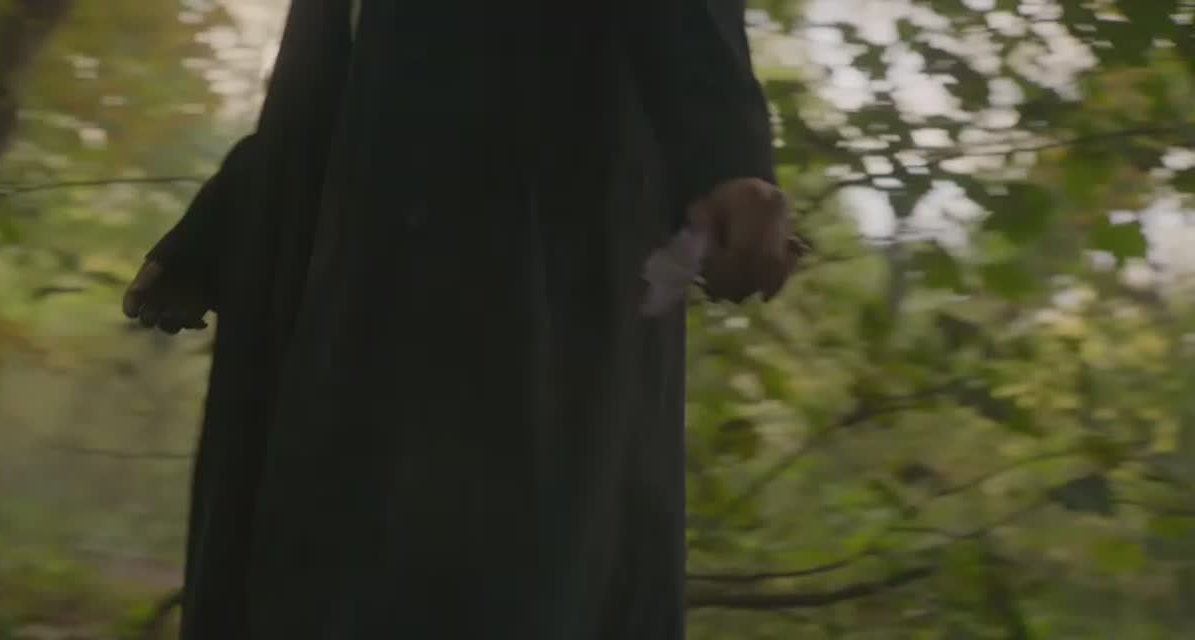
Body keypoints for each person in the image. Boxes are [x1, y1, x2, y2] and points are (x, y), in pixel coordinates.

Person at [122, 1, 797, 638]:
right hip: (329, 292)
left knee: (479, 574)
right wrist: (229, 216)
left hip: (523, 267)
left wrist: (727, 154)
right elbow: (348, 63)